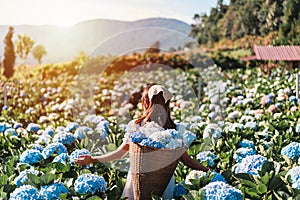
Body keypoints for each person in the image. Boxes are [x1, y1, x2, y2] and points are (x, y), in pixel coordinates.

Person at [75, 84, 211, 199]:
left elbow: (119, 154)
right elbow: (187, 160)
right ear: (167, 104)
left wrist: (92, 159)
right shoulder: (177, 129)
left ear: (145, 103)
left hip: (137, 181)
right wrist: (210, 171)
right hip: (165, 183)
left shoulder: (136, 126)